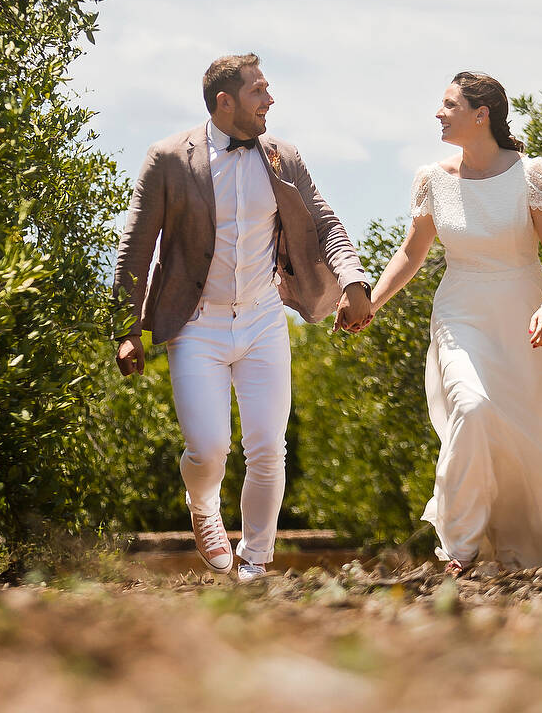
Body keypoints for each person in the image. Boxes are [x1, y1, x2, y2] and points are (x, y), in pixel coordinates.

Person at [113, 53, 372, 582]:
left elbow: (325, 221)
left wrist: (353, 281)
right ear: (224, 101)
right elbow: (136, 247)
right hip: (196, 325)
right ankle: (203, 505)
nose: (270, 100)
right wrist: (127, 329)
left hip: (262, 319)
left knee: (268, 448)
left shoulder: (283, 156)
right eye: (259, 91)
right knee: (208, 450)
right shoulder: (168, 159)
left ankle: (256, 561)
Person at [367, 72, 542, 573]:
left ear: (481, 114)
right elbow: (411, 253)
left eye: (449, 104)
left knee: (530, 437)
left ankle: (525, 542)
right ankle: (462, 545)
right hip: (460, 313)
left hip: (524, 316)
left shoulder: (531, 174)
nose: (438, 113)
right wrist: (372, 303)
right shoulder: (431, 179)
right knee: (470, 409)